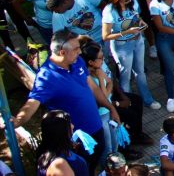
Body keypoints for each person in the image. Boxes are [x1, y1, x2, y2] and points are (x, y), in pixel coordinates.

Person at [10, 31, 115, 174]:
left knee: (93, 163)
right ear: (62, 52)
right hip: (77, 139)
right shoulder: (46, 77)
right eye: (76, 49)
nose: (80, 52)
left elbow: (92, 87)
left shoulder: (77, 61)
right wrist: (17, 121)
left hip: (96, 128)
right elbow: (33, 103)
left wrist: (111, 107)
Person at [101, 0, 159, 109]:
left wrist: (141, 22)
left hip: (137, 41)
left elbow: (136, 16)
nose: (129, 1)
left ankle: (148, 99)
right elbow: (105, 36)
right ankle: (129, 103)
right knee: (125, 76)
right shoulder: (110, 10)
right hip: (122, 46)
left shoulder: (133, 2)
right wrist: (127, 32)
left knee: (140, 72)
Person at [35, 110, 90, 176]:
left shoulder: (49, 152)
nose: (73, 126)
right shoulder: (59, 165)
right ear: (62, 131)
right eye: (69, 123)